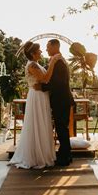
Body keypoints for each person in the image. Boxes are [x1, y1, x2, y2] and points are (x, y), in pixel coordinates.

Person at [9, 41, 61, 169]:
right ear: (33, 53)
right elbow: (45, 79)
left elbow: (44, 79)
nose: (41, 52)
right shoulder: (32, 64)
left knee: (41, 123)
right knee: (38, 123)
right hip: (37, 97)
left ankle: (42, 152)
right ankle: (36, 156)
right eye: (39, 51)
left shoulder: (35, 64)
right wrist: (53, 63)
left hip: (40, 96)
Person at [36, 39, 74, 166]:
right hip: (60, 99)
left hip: (61, 99)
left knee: (62, 128)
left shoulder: (59, 62)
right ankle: (65, 154)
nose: (46, 49)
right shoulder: (57, 60)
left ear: (54, 46)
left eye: (48, 47)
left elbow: (58, 83)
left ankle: (65, 157)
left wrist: (42, 87)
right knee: (61, 127)